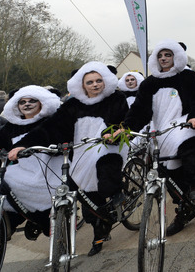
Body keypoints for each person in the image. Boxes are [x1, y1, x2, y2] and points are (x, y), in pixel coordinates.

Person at [10, 62, 128, 256]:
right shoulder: (73, 104)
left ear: (105, 81)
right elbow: (52, 125)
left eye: (99, 80)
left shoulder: (116, 98)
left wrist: (116, 132)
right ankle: (99, 225)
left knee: (104, 177)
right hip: (81, 151)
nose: (95, 85)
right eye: (90, 82)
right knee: (83, 193)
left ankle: (116, 196)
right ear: (82, 85)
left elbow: (125, 120)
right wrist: (25, 144)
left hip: (110, 147)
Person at [121, 40, 195, 236]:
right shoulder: (149, 83)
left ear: (175, 56)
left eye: (167, 55)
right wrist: (126, 128)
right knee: (166, 175)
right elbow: (139, 110)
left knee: (191, 148)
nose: (163, 59)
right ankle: (184, 208)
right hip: (160, 130)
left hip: (184, 123)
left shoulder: (188, 76)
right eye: (160, 56)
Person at [0, 86, 63, 240]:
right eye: (22, 102)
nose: (27, 104)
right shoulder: (11, 127)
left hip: (51, 171)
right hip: (24, 171)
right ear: (17, 105)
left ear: (41, 103)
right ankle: (3, 225)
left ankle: (43, 223)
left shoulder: (51, 122)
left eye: (32, 100)